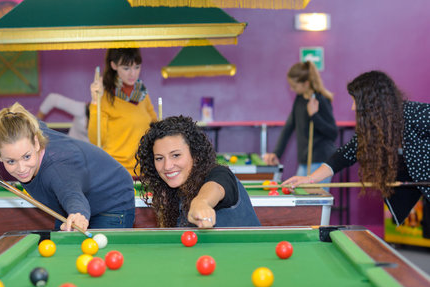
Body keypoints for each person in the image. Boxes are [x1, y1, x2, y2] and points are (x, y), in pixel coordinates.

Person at [0, 102, 135, 231]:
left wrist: (78, 214)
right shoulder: (30, 129)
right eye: (11, 161)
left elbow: (71, 195)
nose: (21, 168)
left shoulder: (56, 170)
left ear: (36, 143)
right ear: (0, 156)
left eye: (26, 157)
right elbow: (11, 149)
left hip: (112, 199)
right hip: (71, 201)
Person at [283, 70, 430, 226]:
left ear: (373, 102)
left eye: (355, 101)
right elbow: (343, 156)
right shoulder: (374, 128)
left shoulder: (415, 114)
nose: (353, 108)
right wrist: (309, 178)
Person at [135, 115, 261, 228]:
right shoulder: (173, 193)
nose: (167, 166)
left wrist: (201, 203)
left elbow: (215, 188)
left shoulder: (220, 173)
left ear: (196, 156)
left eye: (176, 155)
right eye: (159, 158)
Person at [263, 61, 338, 182]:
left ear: (306, 84)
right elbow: (289, 127)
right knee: (300, 195)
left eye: (294, 85)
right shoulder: (299, 100)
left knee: (316, 200)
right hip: (305, 160)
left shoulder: (320, 100)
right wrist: (276, 153)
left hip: (320, 161)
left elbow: (333, 133)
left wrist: (314, 115)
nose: (292, 89)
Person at [89, 48, 157, 175]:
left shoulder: (142, 93)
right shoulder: (104, 96)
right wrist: (95, 102)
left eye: (137, 67)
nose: (133, 73)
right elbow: (96, 139)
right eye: (126, 68)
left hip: (144, 171)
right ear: (114, 65)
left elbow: (155, 127)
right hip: (116, 171)